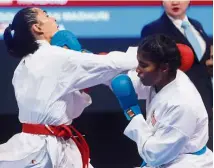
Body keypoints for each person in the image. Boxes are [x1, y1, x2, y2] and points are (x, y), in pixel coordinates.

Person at [0, 7, 138, 168]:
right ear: (37, 27)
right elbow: (111, 64)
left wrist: (82, 90)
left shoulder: (22, 66)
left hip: (47, 144)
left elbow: (69, 111)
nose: (54, 19)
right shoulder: (55, 56)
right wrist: (150, 54)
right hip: (43, 150)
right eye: (47, 15)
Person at [111, 34, 213, 168]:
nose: (137, 70)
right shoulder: (161, 78)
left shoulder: (182, 104)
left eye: (143, 65)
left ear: (164, 68)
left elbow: (154, 156)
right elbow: (124, 83)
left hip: (185, 163)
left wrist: (133, 114)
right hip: (166, 157)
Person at [141, 1, 213, 147]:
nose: (175, 2)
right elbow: (151, 66)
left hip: (205, 101)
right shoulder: (153, 29)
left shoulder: (196, 25)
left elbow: (200, 63)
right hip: (177, 105)